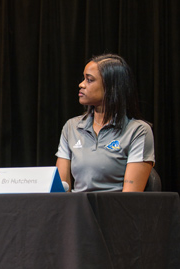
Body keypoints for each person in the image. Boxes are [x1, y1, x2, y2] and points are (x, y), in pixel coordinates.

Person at [56, 54, 154, 192]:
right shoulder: (71, 127)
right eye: (83, 78)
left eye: (89, 80)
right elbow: (61, 190)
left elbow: (130, 198)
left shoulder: (138, 131)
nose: (81, 84)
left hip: (114, 210)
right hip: (77, 210)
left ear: (111, 87)